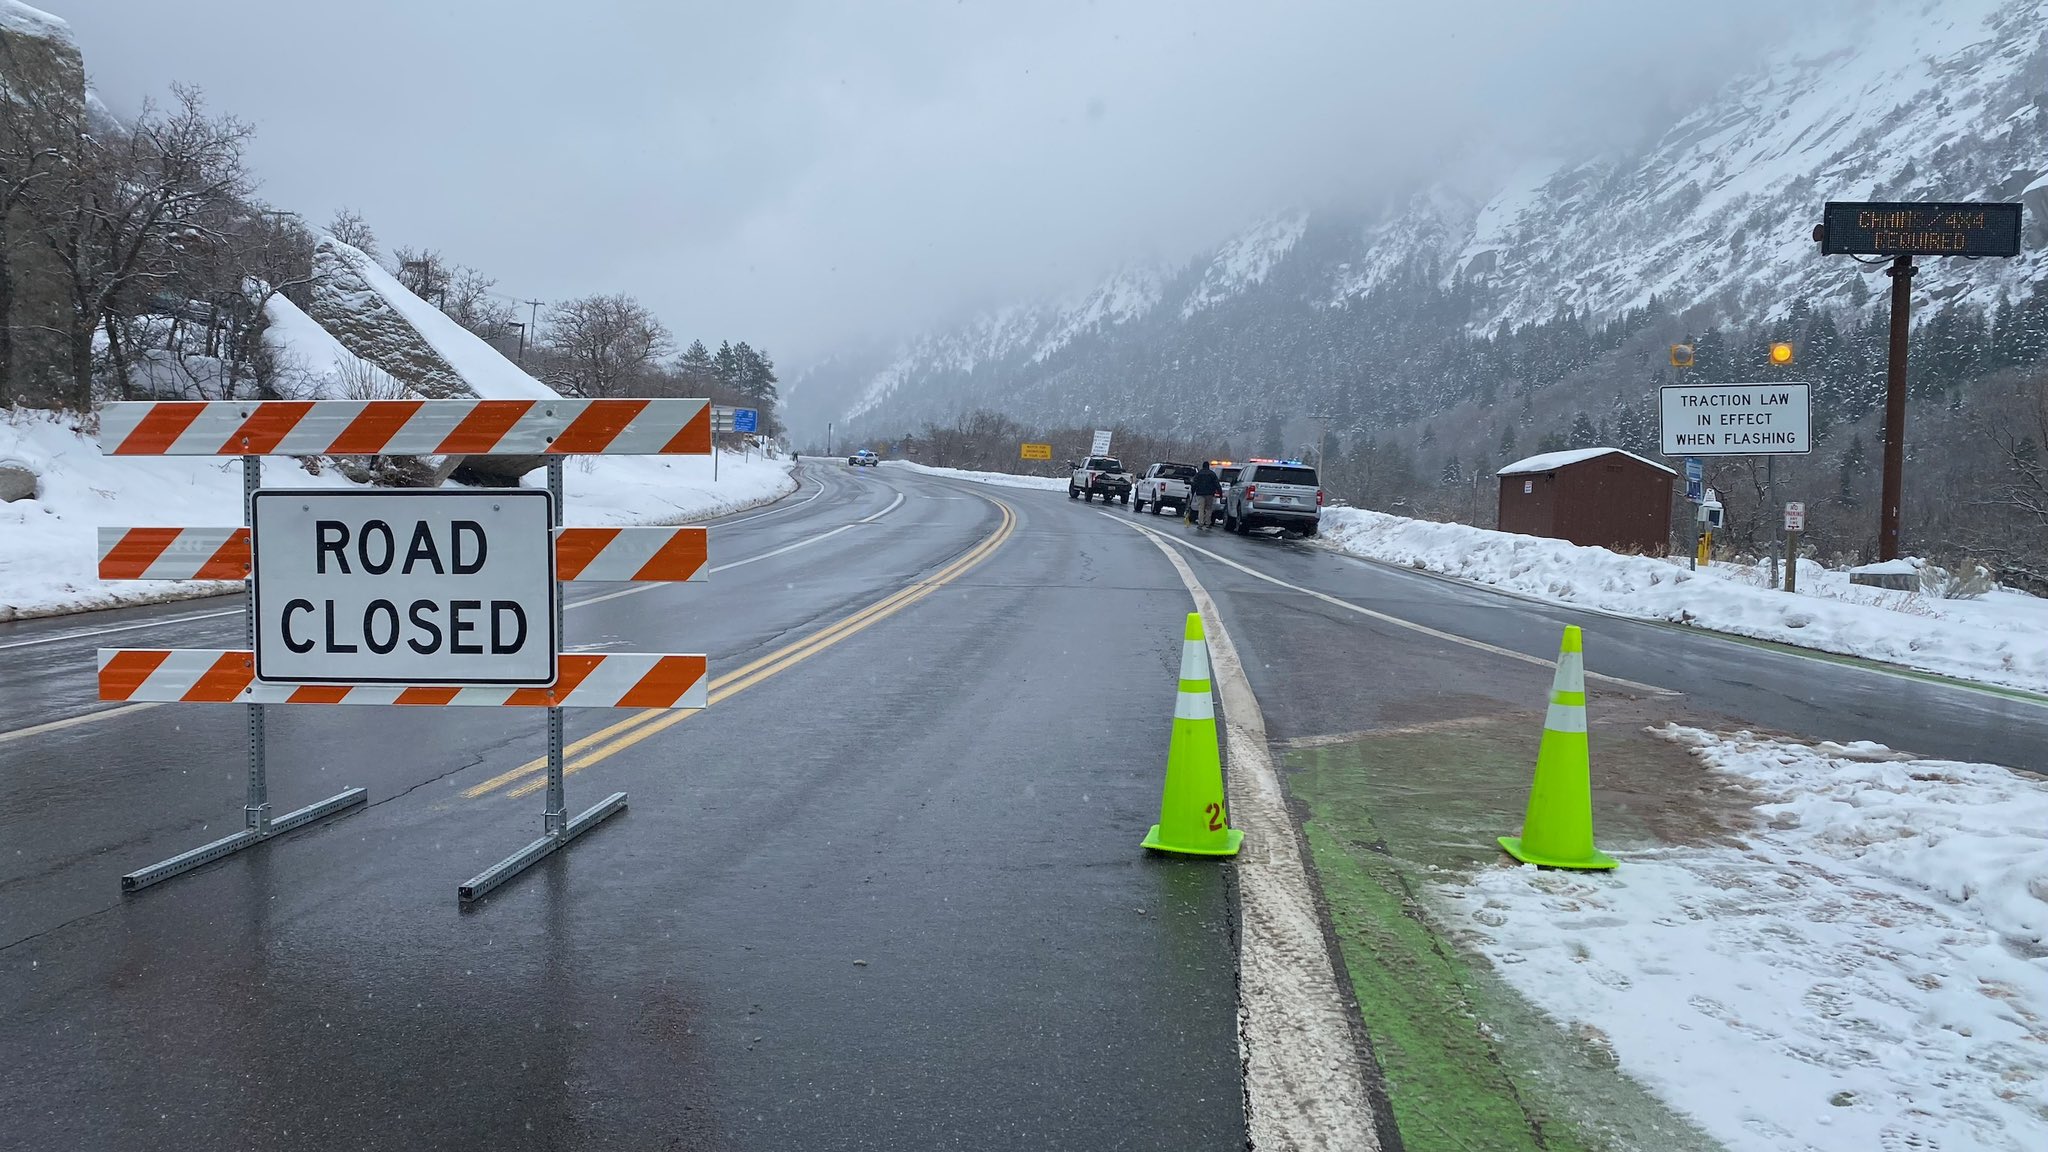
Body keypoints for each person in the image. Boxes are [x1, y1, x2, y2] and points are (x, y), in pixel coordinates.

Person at [1188, 462, 1222, 529]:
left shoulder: (1199, 474)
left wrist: (1193, 491)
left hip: (1200, 494)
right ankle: (1207, 523)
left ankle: (1200, 523)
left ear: (1203, 466)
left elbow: (1194, 484)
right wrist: (1220, 493)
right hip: (1210, 494)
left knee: (1201, 508)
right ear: (1208, 466)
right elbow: (1217, 484)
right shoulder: (1212, 474)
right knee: (1208, 509)